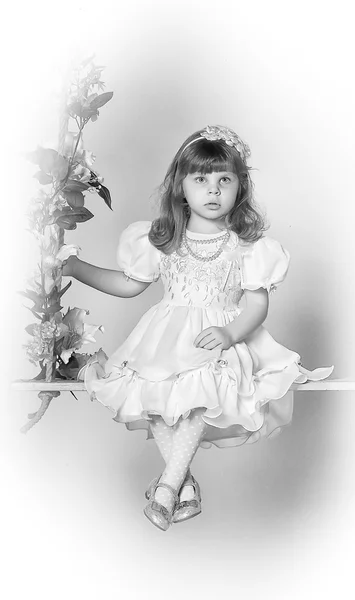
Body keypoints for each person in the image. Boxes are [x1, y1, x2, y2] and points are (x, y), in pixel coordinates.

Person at [62, 125, 334, 531]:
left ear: (240, 187)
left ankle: (169, 484)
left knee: (203, 388)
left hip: (219, 335)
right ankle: (183, 486)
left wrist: (229, 334)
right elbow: (127, 283)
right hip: (163, 336)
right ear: (181, 186)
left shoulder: (246, 245)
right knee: (151, 390)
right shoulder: (164, 240)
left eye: (224, 180)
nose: (213, 190)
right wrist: (76, 268)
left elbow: (257, 305)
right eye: (201, 179)